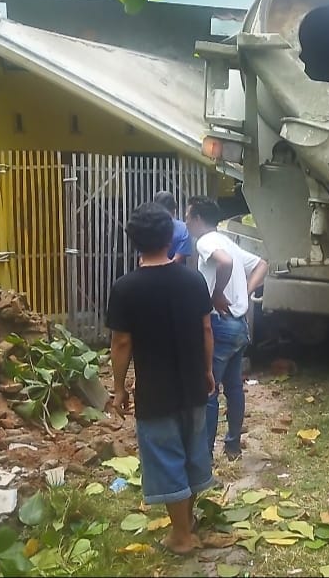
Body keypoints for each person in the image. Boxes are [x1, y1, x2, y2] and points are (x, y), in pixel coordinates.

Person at [106, 202, 216, 556]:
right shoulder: (192, 279)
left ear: (133, 241)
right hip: (193, 385)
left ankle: (181, 536)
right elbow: (205, 329)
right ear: (171, 237)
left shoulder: (125, 288)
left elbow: (122, 342)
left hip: (155, 392)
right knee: (193, 452)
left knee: (167, 458)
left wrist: (119, 387)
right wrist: (208, 371)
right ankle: (189, 521)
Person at [185, 196, 268, 461]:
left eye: (188, 216)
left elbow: (225, 263)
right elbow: (261, 264)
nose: (186, 221)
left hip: (219, 326)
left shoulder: (207, 241)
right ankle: (232, 446)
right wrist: (245, 290)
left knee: (209, 388)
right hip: (239, 325)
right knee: (234, 388)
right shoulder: (227, 241)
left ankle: (205, 455)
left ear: (197, 218)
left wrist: (217, 293)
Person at [153, 191, 193, 265]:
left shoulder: (148, 227)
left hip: (150, 271)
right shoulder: (184, 228)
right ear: (175, 209)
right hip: (177, 273)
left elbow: (143, 258)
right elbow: (179, 258)